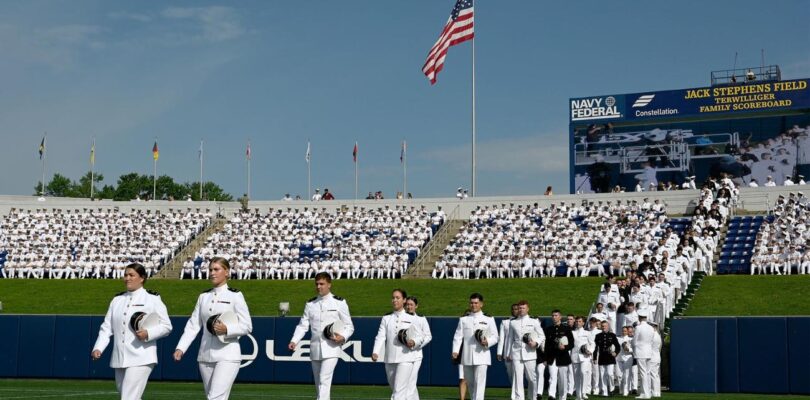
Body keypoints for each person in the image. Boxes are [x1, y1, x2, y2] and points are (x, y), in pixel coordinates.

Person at [174, 257, 253, 400]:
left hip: (227, 355)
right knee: (213, 397)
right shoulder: (203, 297)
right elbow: (193, 325)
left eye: (216, 269)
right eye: (210, 269)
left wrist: (227, 329)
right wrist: (181, 348)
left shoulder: (235, 295)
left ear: (227, 272)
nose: (212, 273)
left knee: (215, 397)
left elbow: (247, 326)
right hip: (205, 356)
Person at [91, 263, 172, 400]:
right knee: (128, 396)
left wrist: (148, 333)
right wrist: (98, 347)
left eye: (131, 275)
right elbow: (106, 327)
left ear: (142, 278)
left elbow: (167, 326)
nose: (127, 278)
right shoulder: (117, 300)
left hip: (142, 357)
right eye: (126, 275)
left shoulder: (152, 299)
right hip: (119, 358)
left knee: (128, 398)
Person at [289, 272, 355, 400]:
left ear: (329, 285)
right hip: (315, 349)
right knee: (319, 383)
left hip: (331, 348)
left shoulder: (339, 302)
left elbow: (349, 326)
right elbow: (303, 325)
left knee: (324, 380)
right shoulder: (310, 304)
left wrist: (343, 337)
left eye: (322, 284)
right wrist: (294, 340)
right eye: (317, 284)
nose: (319, 287)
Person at [372, 289, 423, 400]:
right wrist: (375, 352)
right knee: (397, 389)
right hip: (390, 359)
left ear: (404, 300)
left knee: (398, 392)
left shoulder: (412, 317)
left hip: (406, 359)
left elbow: (421, 337)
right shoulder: (386, 318)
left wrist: (414, 342)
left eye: (398, 298)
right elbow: (380, 336)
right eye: (393, 298)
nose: (394, 300)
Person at [452, 293, 498, 400]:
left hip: (482, 355)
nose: (473, 305)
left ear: (481, 304)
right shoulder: (464, 319)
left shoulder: (489, 319)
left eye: (476, 303)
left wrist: (487, 342)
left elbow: (495, 337)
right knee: (471, 384)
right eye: (472, 303)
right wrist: (455, 351)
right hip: (467, 356)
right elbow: (458, 336)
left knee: (479, 383)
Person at [507, 300, 545, 400]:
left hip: (530, 353)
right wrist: (508, 353)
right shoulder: (513, 322)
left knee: (532, 378)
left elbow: (542, 336)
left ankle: (533, 397)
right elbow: (510, 339)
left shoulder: (534, 321)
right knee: (518, 379)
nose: (521, 310)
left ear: (528, 309)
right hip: (516, 353)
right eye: (520, 308)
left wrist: (536, 343)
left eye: (523, 308)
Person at [404, 296, 432, 400]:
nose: (409, 307)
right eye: (407, 304)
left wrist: (416, 344)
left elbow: (428, 336)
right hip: (402, 354)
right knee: (404, 381)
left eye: (411, 305)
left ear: (416, 306)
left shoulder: (421, 318)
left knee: (411, 380)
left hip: (416, 355)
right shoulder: (400, 317)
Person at [543, 309, 575, 400]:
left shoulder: (566, 329)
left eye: (556, 315)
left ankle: (562, 397)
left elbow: (572, 343)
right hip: (552, 357)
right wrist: (545, 358)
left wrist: (565, 347)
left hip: (563, 357)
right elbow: (546, 346)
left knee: (562, 379)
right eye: (553, 315)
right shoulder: (548, 329)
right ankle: (551, 395)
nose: (554, 317)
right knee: (552, 377)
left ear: (560, 317)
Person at [571, 316, 594, 400]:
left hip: (585, 356)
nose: (578, 323)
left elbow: (592, 344)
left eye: (580, 321)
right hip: (575, 356)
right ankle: (578, 395)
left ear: (583, 323)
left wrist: (590, 351)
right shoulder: (572, 332)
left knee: (583, 372)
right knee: (576, 377)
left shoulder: (587, 333)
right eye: (576, 321)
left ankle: (584, 392)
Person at [633, 311, 655, 399]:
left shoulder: (638, 328)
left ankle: (646, 393)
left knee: (643, 373)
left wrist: (632, 346)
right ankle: (645, 392)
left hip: (641, 352)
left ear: (639, 317)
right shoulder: (651, 328)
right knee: (647, 372)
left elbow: (634, 341)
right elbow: (652, 340)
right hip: (649, 352)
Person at [497, 304, 519, 385]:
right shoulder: (505, 322)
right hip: (507, 353)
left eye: (516, 309)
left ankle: (517, 396)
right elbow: (501, 338)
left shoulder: (523, 321)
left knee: (518, 375)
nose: (514, 311)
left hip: (520, 353)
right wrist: (499, 352)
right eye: (513, 309)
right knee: (510, 375)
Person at [649, 322, 662, 398]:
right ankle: (657, 392)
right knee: (656, 376)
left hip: (653, 357)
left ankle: (654, 392)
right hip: (657, 357)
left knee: (653, 375)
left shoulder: (653, 335)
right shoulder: (658, 335)